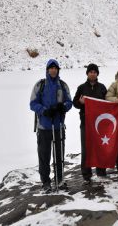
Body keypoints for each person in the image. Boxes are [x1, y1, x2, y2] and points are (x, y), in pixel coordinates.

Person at [30, 59, 72, 193]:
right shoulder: (40, 85)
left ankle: (60, 179)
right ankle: (46, 182)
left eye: (56, 68)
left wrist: (63, 107)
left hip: (58, 126)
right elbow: (32, 103)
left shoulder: (63, 85)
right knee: (44, 156)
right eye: (51, 68)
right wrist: (44, 110)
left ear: (58, 70)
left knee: (59, 155)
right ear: (47, 70)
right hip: (44, 127)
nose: (53, 70)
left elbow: (69, 102)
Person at [73, 63, 107, 184]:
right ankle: (86, 174)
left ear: (97, 74)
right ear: (87, 73)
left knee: (100, 147)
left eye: (94, 72)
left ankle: (101, 171)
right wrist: (80, 102)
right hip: (86, 123)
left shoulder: (102, 87)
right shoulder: (81, 88)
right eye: (90, 72)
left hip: (99, 124)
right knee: (86, 148)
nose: (92, 74)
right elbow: (75, 103)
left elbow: (107, 103)